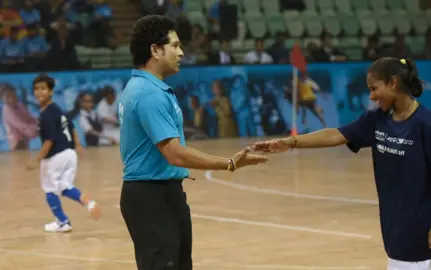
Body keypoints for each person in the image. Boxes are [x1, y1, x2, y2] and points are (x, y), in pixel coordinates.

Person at [253, 57, 431, 270]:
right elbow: (336, 135)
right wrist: (290, 142)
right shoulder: (377, 119)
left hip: (418, 230)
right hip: (393, 227)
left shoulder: (426, 124)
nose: (372, 95)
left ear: (393, 83)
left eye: (374, 88)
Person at [118, 15, 268, 270]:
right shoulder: (148, 94)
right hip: (150, 196)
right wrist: (229, 163)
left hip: (166, 192)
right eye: (175, 46)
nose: (181, 52)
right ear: (155, 50)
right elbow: (175, 154)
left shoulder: (149, 88)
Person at [26, 74, 101, 233]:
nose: (39, 92)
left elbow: (49, 140)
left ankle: (62, 222)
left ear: (51, 91)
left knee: (49, 188)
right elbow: (71, 126)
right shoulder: (57, 109)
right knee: (63, 186)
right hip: (69, 154)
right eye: (37, 89)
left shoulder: (46, 114)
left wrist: (37, 159)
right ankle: (88, 202)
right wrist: (78, 145)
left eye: (43, 89)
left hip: (56, 156)